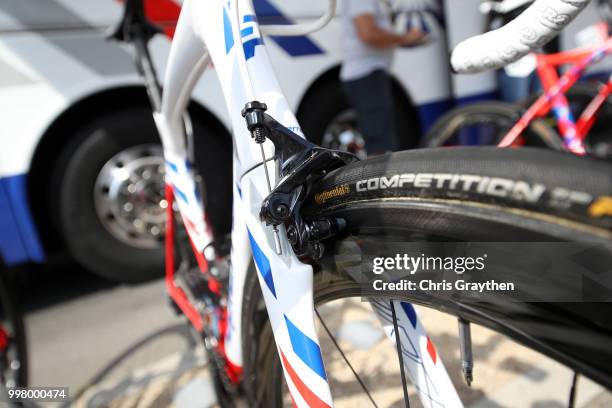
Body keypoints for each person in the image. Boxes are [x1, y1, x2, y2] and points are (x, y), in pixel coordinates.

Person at [340, 0, 428, 154]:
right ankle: (379, 176)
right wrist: (404, 38)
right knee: (380, 144)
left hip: (368, 74)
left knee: (380, 139)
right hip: (367, 75)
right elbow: (368, 34)